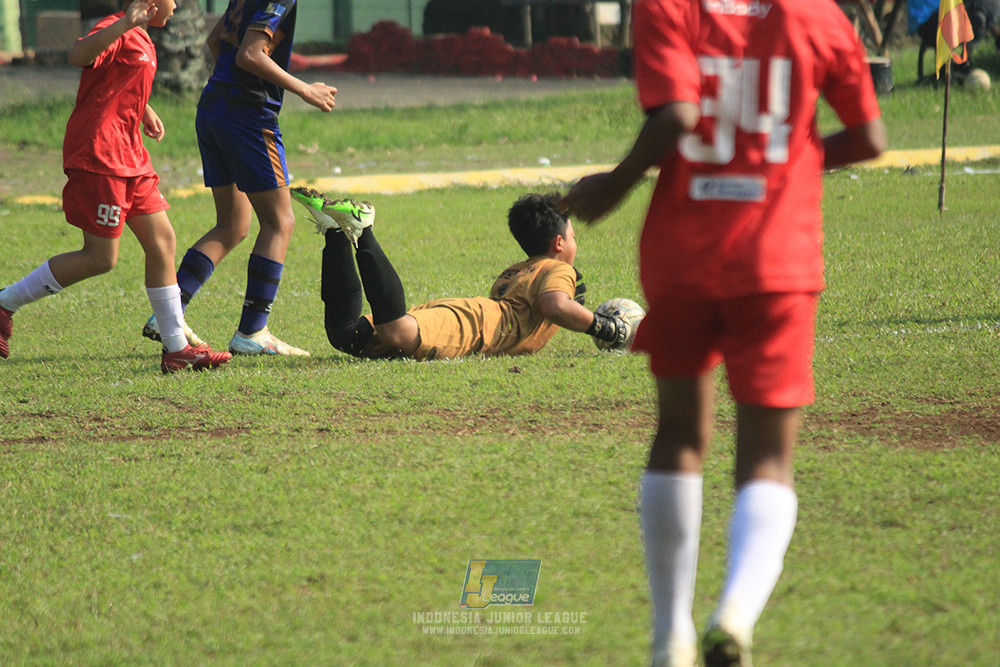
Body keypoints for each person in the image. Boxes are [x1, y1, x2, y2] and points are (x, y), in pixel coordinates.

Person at [559, 1, 888, 665]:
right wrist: (791, 162)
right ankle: (734, 616)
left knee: (679, 436)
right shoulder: (816, 13)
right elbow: (871, 138)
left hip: (684, 250)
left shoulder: (669, 5)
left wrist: (616, 183)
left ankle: (669, 637)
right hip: (776, 258)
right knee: (767, 458)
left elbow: (678, 114)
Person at [0, 0, 231, 374]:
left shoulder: (143, 36)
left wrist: (144, 109)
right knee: (100, 258)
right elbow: (79, 55)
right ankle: (5, 302)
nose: (176, 5)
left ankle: (176, 349)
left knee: (163, 241)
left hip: (131, 157)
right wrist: (123, 23)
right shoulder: (118, 27)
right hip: (101, 156)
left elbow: (115, 81)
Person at [141, 0, 339, 356]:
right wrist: (304, 89)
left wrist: (230, 86)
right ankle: (253, 331)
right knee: (280, 222)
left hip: (213, 107)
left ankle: (167, 315)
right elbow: (250, 54)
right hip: (248, 116)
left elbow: (215, 39)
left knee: (232, 224)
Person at [291, 189, 635, 360]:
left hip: (468, 313)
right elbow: (554, 305)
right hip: (475, 324)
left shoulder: (519, 269)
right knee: (396, 331)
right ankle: (363, 230)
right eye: (573, 236)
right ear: (559, 243)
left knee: (347, 334)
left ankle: (335, 232)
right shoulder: (559, 268)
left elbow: (545, 308)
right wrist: (606, 327)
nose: (574, 242)